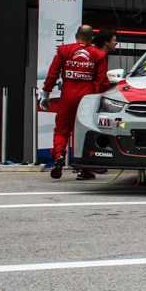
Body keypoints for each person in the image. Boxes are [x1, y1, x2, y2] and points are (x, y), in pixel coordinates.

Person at [40, 25, 109, 180]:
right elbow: (103, 81)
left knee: (61, 129)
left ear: (76, 36)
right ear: (92, 38)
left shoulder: (64, 50)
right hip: (87, 98)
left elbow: (53, 73)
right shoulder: (98, 54)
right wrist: (100, 99)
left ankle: (58, 155)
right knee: (82, 132)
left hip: (67, 95)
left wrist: (46, 94)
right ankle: (82, 169)